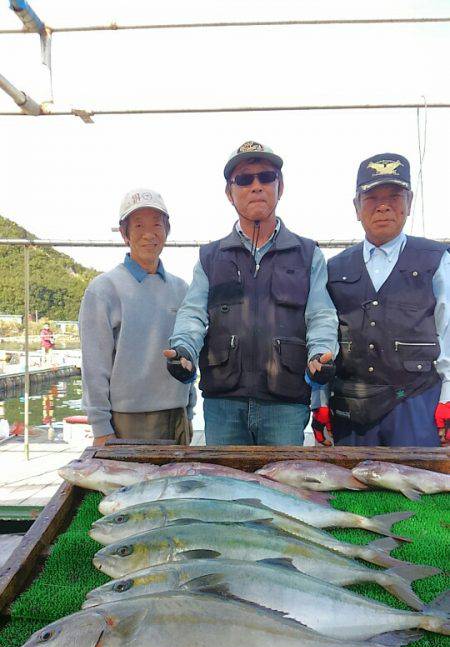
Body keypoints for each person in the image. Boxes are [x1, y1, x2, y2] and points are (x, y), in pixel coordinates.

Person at [164, 141, 338, 445]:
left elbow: (321, 314)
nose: (256, 186)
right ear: (229, 193)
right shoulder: (210, 256)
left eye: (266, 177)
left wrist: (320, 354)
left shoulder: (309, 254)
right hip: (223, 406)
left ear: (280, 187)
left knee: (282, 488)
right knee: (223, 489)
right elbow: (193, 313)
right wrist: (184, 350)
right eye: (244, 179)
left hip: (286, 405)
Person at [312, 152, 450, 447]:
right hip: (352, 409)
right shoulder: (333, 269)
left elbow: (447, 329)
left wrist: (448, 396)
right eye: (372, 197)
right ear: (357, 207)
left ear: (410, 202)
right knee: (352, 490)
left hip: (416, 403)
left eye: (395, 196)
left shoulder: (436, 260)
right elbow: (322, 334)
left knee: (420, 488)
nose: (384, 206)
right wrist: (319, 399)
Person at [79, 188, 196, 447]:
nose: (149, 234)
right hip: (126, 420)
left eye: (157, 225)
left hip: (176, 416)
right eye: (139, 225)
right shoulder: (104, 289)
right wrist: (101, 428)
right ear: (124, 234)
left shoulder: (182, 289)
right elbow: (94, 367)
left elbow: (190, 352)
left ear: (167, 231)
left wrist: (188, 410)